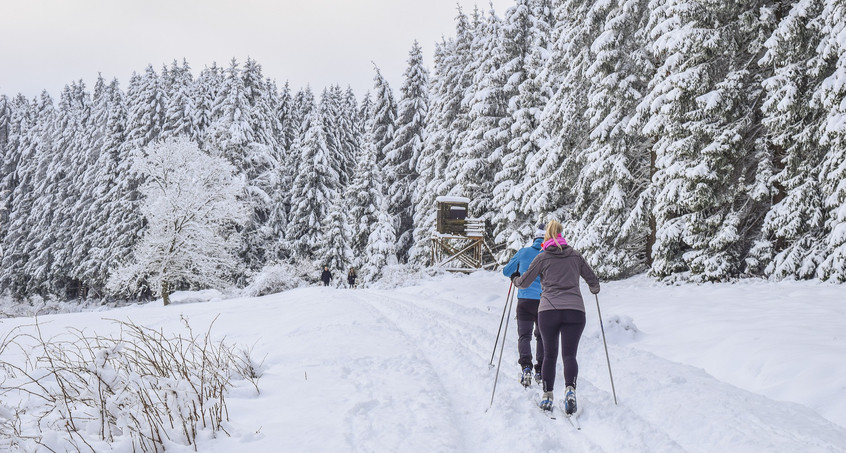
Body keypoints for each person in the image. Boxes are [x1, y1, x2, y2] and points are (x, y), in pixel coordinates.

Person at [511, 220, 600, 415]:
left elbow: (524, 282)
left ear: (546, 237)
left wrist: (515, 279)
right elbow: (593, 281)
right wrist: (594, 288)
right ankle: (570, 390)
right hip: (575, 311)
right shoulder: (575, 256)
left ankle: (547, 396)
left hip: (549, 310)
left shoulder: (542, 257)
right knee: (569, 355)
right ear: (561, 234)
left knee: (550, 355)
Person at [502, 224, 546, 387]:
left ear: (534, 239)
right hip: (545, 301)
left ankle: (526, 367)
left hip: (525, 301)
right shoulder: (549, 254)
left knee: (524, 336)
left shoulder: (524, 252)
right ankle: (540, 370)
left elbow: (506, 271)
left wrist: (515, 274)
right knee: (541, 336)